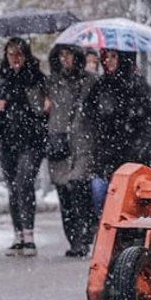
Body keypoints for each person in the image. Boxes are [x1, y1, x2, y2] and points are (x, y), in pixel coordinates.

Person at [0, 37, 49, 257]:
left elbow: (46, 105)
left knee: (24, 182)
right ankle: (18, 234)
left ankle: (29, 234)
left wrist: (44, 107)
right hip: (6, 139)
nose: (15, 59)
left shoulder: (36, 78)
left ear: (26, 56)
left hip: (32, 139)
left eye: (19, 54)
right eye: (11, 54)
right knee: (13, 187)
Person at [83, 49, 151, 213]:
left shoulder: (138, 86)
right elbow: (89, 113)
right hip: (104, 154)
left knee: (127, 205)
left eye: (114, 57)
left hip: (130, 155)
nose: (108, 61)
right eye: (106, 57)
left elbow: (146, 121)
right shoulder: (100, 86)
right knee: (100, 196)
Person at [46, 44, 97, 257]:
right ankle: (74, 238)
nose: (65, 59)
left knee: (79, 189)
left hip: (83, 143)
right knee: (64, 195)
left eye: (68, 55)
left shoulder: (90, 82)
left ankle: (83, 237)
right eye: (61, 55)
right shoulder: (51, 83)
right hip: (59, 143)